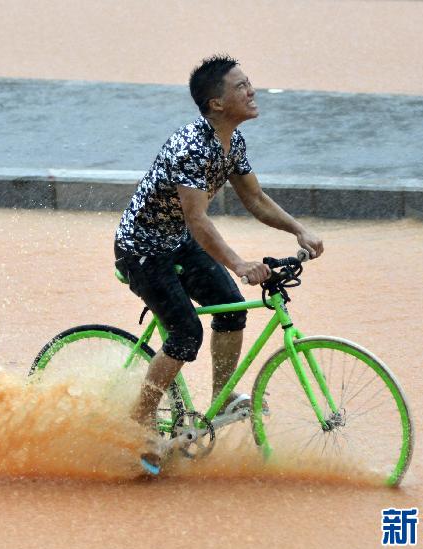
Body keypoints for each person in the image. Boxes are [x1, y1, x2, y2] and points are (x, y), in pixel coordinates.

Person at [113, 55, 324, 475]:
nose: (252, 91)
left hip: (178, 242)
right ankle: (138, 421)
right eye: (241, 86)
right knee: (186, 332)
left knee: (230, 309)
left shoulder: (233, 143)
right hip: (142, 249)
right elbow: (198, 219)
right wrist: (240, 263)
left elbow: (256, 200)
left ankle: (221, 397)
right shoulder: (193, 146)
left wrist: (299, 231)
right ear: (216, 104)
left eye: (250, 83)